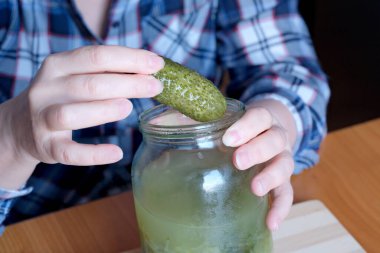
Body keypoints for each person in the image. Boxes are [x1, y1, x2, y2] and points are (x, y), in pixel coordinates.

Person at [0, 0, 330, 234]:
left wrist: (275, 121)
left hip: (192, 184)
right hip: (39, 226)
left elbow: (285, 69)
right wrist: (11, 137)